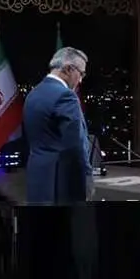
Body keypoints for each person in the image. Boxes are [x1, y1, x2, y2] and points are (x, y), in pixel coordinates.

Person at [23, 46, 92, 204]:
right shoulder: (66, 96)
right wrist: (87, 178)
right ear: (68, 69)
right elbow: (76, 145)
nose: (81, 80)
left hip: (36, 179)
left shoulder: (33, 94)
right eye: (81, 73)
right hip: (60, 183)